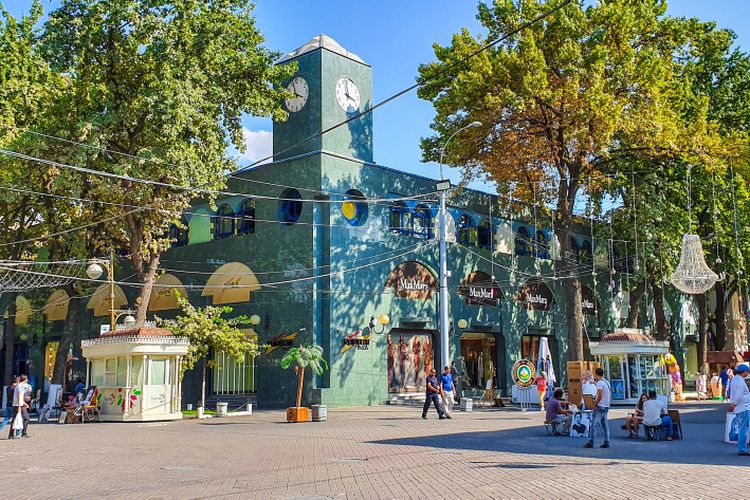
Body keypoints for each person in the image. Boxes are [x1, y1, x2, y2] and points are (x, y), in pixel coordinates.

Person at [584, 367, 611, 449]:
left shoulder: (600, 383)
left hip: (600, 406)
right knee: (605, 425)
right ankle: (607, 441)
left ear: (596, 374)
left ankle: (591, 442)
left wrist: (595, 404)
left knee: (594, 424)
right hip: (606, 406)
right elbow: (608, 393)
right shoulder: (606, 382)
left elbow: (600, 395)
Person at [728, 364, 750, 456]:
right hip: (743, 407)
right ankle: (742, 449)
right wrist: (734, 404)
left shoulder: (734, 379)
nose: (748, 373)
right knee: (743, 429)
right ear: (744, 371)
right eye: (747, 371)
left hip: (739, 407)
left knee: (742, 428)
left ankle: (742, 448)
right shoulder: (740, 382)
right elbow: (739, 396)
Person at [11, 374, 31, 439]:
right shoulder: (20, 386)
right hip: (18, 405)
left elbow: (20, 397)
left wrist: (24, 403)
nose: (27, 380)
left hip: (18, 404)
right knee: (26, 418)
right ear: (25, 379)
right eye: (27, 379)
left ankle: (12, 434)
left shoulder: (19, 385)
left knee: (15, 419)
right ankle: (23, 433)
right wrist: (20, 405)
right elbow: (19, 396)